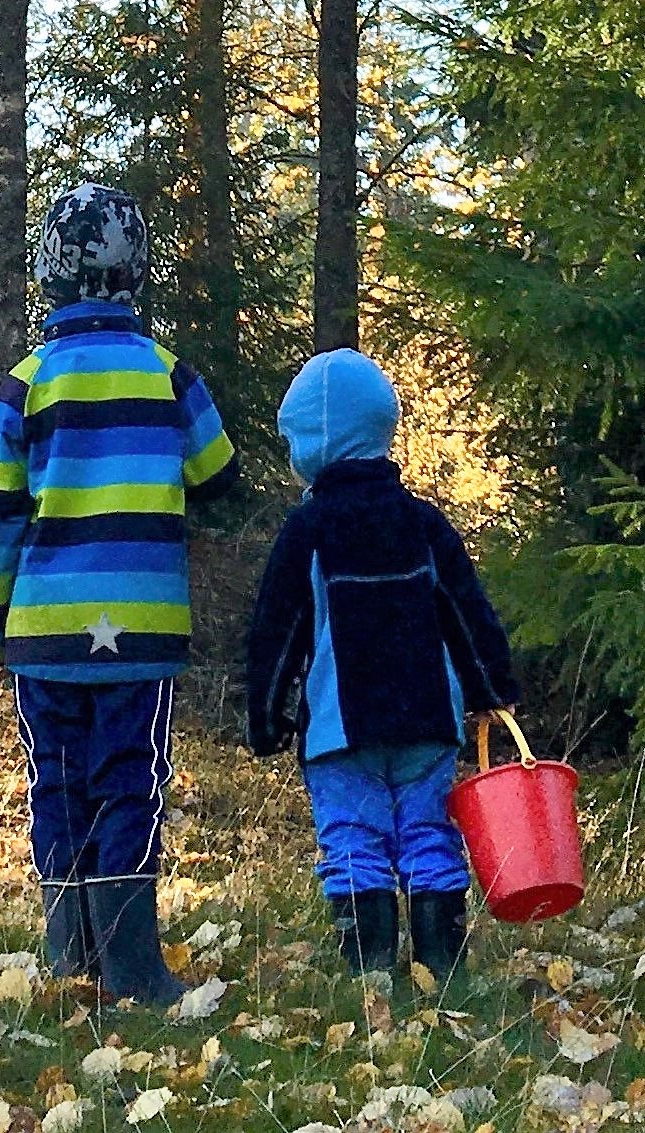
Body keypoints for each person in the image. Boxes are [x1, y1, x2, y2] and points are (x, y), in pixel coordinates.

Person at [0, 183, 241, 1004]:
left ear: (49, 274)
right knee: (131, 780)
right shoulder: (166, 373)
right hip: (142, 630)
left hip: (43, 634)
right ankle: (130, 964)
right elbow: (218, 472)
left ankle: (68, 955)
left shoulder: (25, 383)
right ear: (139, 273)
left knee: (55, 781)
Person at [243, 348, 519, 979]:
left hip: (342, 728)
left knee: (353, 839)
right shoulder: (424, 523)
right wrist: (493, 690)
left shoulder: (308, 529)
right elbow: (467, 614)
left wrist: (266, 717)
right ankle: (441, 969)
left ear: (316, 442)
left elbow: (275, 636)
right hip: (428, 721)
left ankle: (371, 974)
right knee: (429, 834)